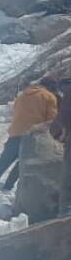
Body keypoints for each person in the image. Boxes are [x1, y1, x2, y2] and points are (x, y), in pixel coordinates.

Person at [0, 76, 59, 200]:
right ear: (52, 87)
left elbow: (16, 112)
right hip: (32, 136)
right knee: (23, 163)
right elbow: (52, 120)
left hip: (14, 134)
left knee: (0, 166)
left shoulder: (22, 95)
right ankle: (8, 187)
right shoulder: (49, 97)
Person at [49, 76, 71, 215]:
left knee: (67, 176)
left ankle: (65, 210)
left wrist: (59, 136)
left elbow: (60, 121)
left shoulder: (66, 98)